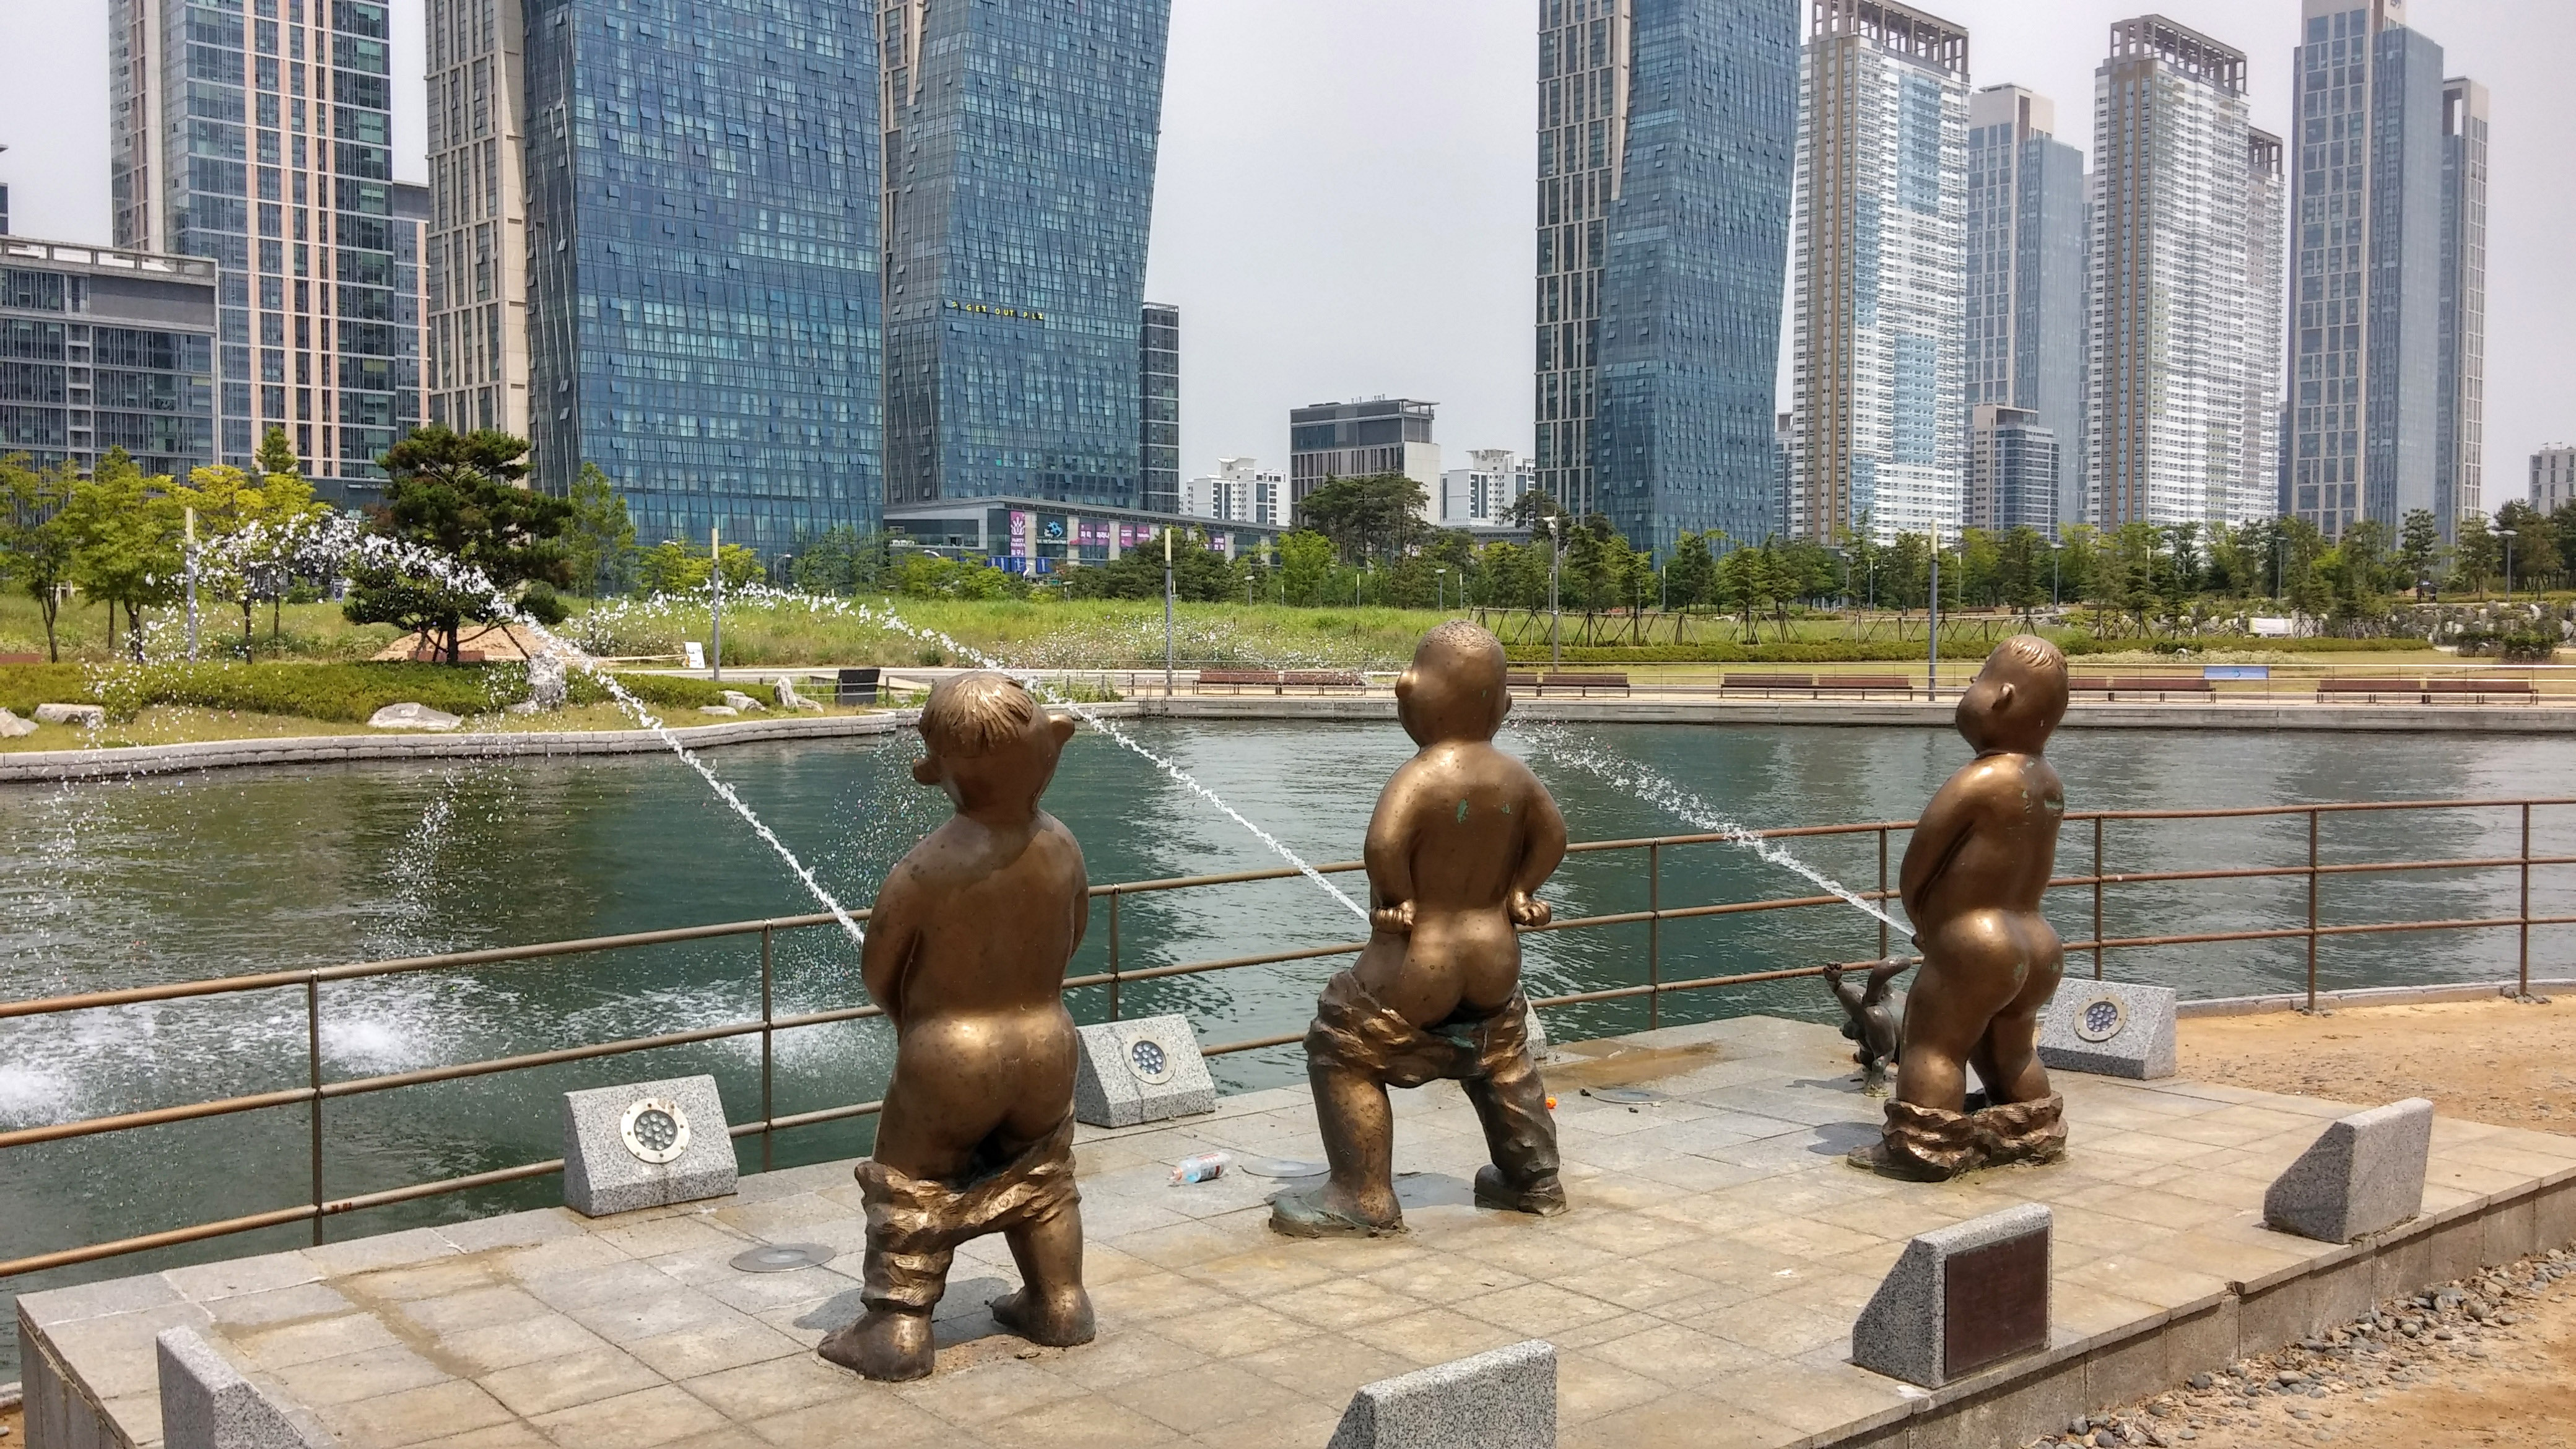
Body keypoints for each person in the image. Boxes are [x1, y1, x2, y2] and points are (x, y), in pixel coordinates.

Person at [818, 672, 1094, 1380]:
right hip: (1046, 1039)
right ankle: (1059, 1303)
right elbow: (1075, 935)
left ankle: (898, 1329)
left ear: (932, 772)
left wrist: (918, 1027)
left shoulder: (925, 867)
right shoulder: (1063, 845)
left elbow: (878, 968)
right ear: (1051, 750)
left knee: (910, 1183)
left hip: (949, 1049)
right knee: (1044, 1173)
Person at [1271, 622, 1570, 1237]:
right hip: (1493, 954)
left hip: (1419, 961)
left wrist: (1396, 900)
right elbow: (1553, 837)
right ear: (1502, 703)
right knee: (1501, 1052)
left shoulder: (1422, 774)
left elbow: (1383, 842)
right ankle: (1531, 1180)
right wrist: (1520, 891)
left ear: (1416, 695)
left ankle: (1362, 1196)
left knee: (1340, 1048)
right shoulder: (1513, 776)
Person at [1852, 634, 2071, 1180]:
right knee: (2012, 1048)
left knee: (1935, 1045)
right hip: (2037, 943)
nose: (1969, 689)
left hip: (1974, 941)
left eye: (1977, 679)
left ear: (2001, 698)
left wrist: (1925, 920)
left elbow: (1920, 862)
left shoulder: (1980, 778)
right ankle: (2029, 1131)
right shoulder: (2047, 781)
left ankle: (1926, 1146)